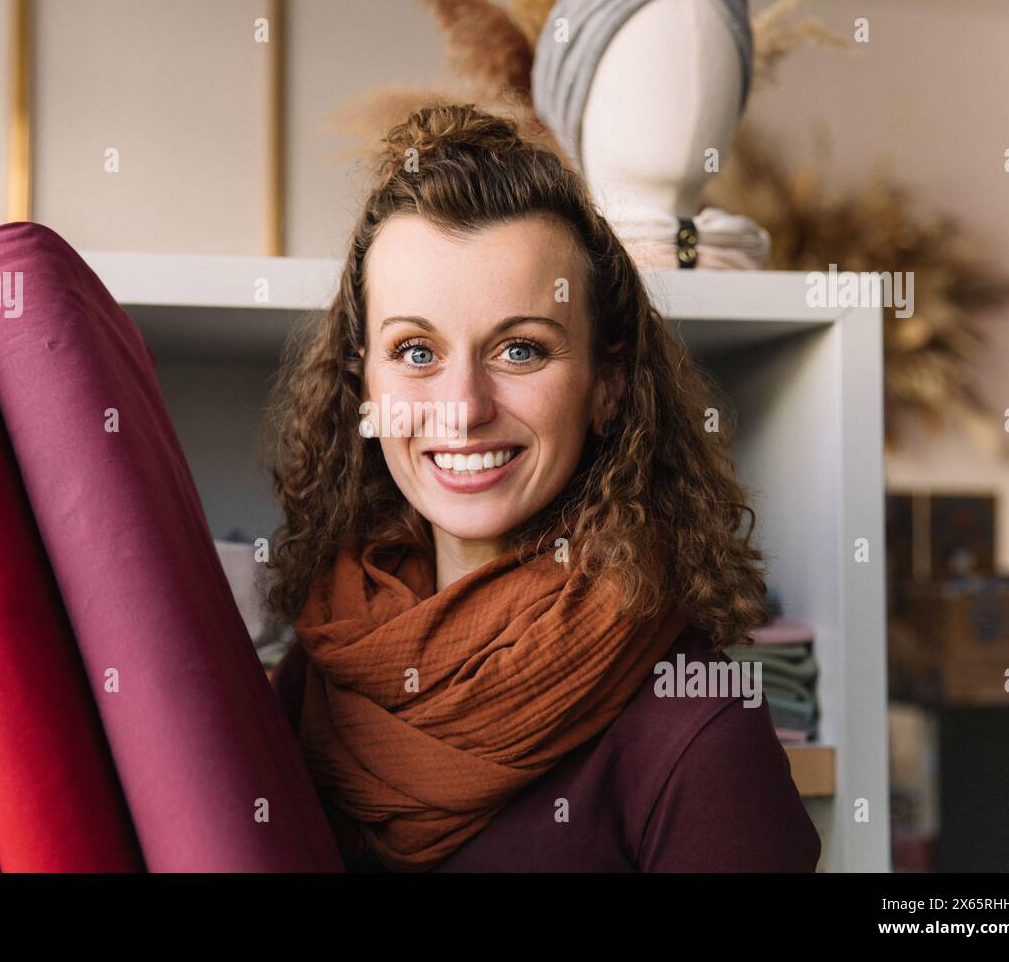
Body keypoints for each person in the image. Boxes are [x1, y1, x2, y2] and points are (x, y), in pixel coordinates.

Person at [263, 103, 820, 873]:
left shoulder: (698, 722)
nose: (463, 408)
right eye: (416, 350)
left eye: (520, 349)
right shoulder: (321, 662)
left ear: (608, 384)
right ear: (365, 384)